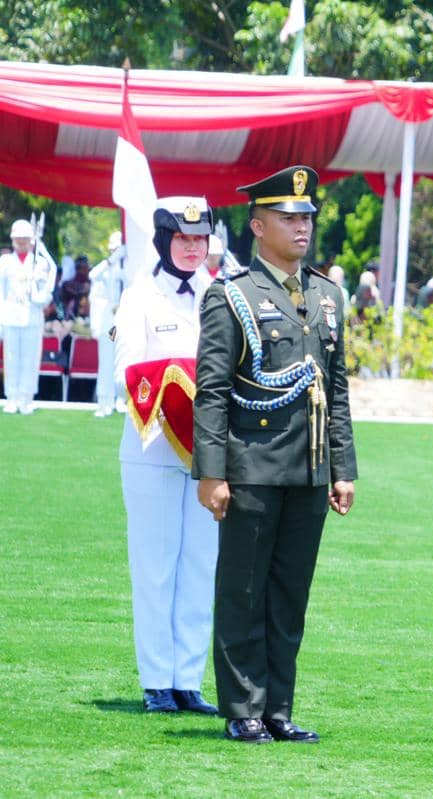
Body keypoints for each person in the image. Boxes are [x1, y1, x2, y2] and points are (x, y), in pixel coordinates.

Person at [192, 165, 357, 744]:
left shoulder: (328, 294)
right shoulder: (232, 296)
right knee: (243, 591)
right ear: (258, 225)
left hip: (309, 471)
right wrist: (210, 474)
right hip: (252, 466)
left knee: (290, 595)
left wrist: (343, 471)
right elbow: (211, 390)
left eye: (307, 216)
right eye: (289, 218)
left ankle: (278, 710)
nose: (302, 227)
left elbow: (335, 390)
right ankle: (244, 709)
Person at [114, 197, 219, 714]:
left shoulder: (219, 293)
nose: (193, 248)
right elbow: (125, 370)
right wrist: (177, 376)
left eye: (200, 239)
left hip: (208, 456)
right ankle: (157, 680)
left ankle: (188, 680)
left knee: (200, 566)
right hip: (152, 447)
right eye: (183, 238)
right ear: (163, 240)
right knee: (156, 565)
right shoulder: (139, 296)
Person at [0, 218, 56, 414]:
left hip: (32, 316)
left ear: (31, 240)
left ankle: (27, 398)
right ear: (13, 240)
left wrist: (41, 297)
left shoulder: (40, 263)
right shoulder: (5, 261)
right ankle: (12, 397)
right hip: (10, 316)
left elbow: (48, 289)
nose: (22, 242)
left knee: (31, 359)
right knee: (11, 358)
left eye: (25, 238)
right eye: (18, 238)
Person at [90, 231, 126, 417]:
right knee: (106, 360)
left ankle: (121, 399)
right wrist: (111, 261)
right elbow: (92, 276)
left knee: (122, 359)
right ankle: (104, 400)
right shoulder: (104, 268)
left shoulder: (128, 268)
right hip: (109, 321)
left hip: (125, 319)